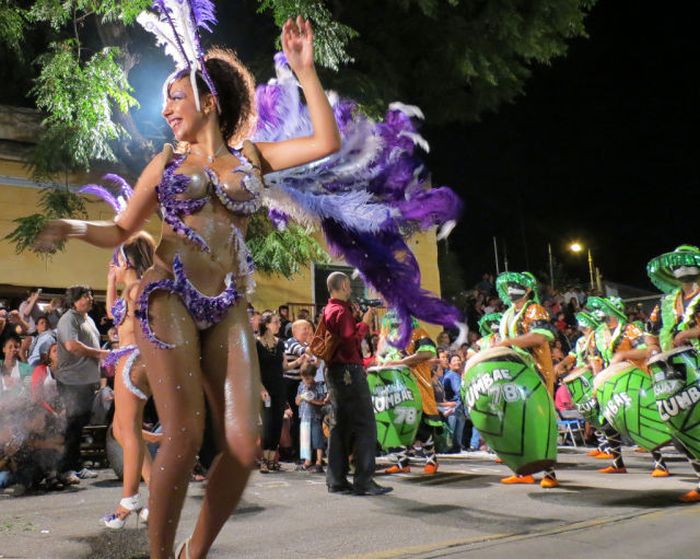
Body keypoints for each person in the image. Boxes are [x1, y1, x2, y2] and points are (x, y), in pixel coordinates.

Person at [34, 7, 344, 556]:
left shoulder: (253, 158)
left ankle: (192, 552)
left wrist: (305, 70)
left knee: (246, 444)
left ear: (209, 100)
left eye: (175, 97)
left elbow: (326, 142)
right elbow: (122, 229)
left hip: (227, 304)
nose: (166, 109)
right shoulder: (165, 163)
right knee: (184, 433)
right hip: (166, 295)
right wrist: (72, 225)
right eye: (166, 101)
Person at [101, 232, 157, 529]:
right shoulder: (132, 290)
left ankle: (129, 500)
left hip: (132, 362)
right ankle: (153, 493)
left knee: (130, 432)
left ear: (128, 260)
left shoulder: (138, 290)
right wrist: (111, 282)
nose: (115, 265)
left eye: (118, 260)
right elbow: (113, 313)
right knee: (121, 430)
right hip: (129, 360)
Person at [323, 272, 391, 496]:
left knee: (339, 427)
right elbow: (350, 340)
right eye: (349, 286)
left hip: (335, 373)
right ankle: (363, 480)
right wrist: (364, 323)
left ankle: (337, 480)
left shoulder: (329, 309)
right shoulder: (341, 311)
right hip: (349, 373)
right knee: (365, 425)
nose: (351, 289)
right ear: (343, 285)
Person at [586, 296, 670, 477]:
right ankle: (618, 463)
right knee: (607, 423)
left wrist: (624, 354)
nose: (599, 313)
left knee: (640, 419)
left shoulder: (630, 329)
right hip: (608, 382)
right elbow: (595, 358)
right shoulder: (598, 333)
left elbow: (647, 350)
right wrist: (597, 379)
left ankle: (660, 464)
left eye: (602, 308)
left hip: (631, 379)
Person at [494, 271, 559, 488]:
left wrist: (507, 343)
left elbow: (541, 336)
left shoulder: (534, 309)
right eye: (509, 286)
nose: (511, 290)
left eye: (516, 286)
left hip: (535, 371)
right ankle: (524, 471)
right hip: (513, 373)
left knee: (539, 420)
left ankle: (549, 473)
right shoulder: (507, 315)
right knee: (517, 421)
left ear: (528, 289)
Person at [646, 245, 700, 502]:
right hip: (676, 371)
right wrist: (654, 350)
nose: (683, 270)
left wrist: (688, 334)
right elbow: (650, 330)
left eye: (687, 264)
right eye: (678, 266)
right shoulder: (666, 302)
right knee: (681, 431)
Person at [55, 285, 108, 485]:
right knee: (72, 424)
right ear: (75, 300)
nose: (91, 298)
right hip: (71, 381)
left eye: (91, 294)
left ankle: (76, 465)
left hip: (85, 381)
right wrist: (99, 354)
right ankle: (64, 469)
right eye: (86, 295)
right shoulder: (69, 319)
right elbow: (71, 346)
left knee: (79, 424)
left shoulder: (89, 319)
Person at [378, 311, 442, 474]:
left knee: (420, 425)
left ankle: (431, 459)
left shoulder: (418, 333)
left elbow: (427, 353)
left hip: (415, 386)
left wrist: (400, 362)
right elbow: (382, 358)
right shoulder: (389, 340)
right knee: (395, 425)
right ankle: (402, 463)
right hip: (393, 388)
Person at [257, 311, 307, 473]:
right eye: (275, 322)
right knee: (267, 423)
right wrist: (261, 388)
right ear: (266, 325)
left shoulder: (280, 344)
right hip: (265, 388)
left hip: (279, 386)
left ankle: (272, 459)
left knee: (277, 423)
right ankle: (264, 459)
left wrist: (299, 361)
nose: (279, 325)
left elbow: (285, 366)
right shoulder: (256, 344)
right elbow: (253, 369)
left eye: (278, 322)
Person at [283, 319, 314, 461]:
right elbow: (303, 352)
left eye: (308, 328)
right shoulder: (291, 343)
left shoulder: (307, 344)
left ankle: (307, 453)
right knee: (298, 418)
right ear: (295, 331)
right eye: (304, 329)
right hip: (290, 385)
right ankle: (298, 453)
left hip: (301, 384)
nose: (307, 331)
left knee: (304, 418)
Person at [295, 362, 327, 473]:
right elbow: (297, 402)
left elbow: (322, 401)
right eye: (304, 378)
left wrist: (311, 400)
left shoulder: (318, 386)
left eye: (308, 378)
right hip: (304, 416)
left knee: (317, 439)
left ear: (313, 376)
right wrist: (301, 398)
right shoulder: (301, 386)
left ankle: (318, 461)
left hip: (315, 416)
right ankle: (307, 461)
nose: (306, 381)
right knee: (305, 440)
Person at [442, 353, 467, 453]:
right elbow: (458, 390)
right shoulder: (452, 375)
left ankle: (454, 449)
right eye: (454, 361)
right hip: (454, 407)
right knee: (453, 433)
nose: (457, 362)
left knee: (456, 435)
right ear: (450, 365)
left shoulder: (455, 375)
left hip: (457, 407)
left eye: (459, 360)